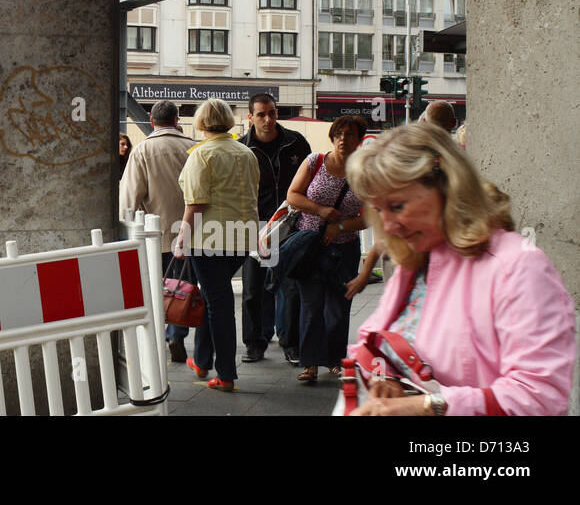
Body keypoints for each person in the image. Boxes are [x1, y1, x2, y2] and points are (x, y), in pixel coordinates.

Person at [346, 122, 575, 416]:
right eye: (378, 210)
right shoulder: (417, 260)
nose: (388, 226)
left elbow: (540, 397)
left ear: (447, 186)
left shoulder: (519, 265)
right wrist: (388, 381)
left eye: (397, 205)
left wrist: (427, 405)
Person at [172, 98, 260, 391]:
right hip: (242, 238)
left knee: (219, 305)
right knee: (214, 299)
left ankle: (225, 374)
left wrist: (181, 238)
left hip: (210, 240)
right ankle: (202, 359)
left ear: (201, 122)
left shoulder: (202, 155)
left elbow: (195, 204)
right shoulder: (247, 153)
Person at [285, 114, 369, 385]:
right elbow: (293, 195)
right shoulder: (315, 162)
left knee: (339, 306)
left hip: (345, 248)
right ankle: (309, 363)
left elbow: (372, 215)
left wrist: (341, 227)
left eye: (351, 134)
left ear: (360, 140)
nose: (344, 139)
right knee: (311, 305)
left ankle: (335, 360)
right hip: (310, 245)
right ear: (332, 137)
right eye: (339, 134)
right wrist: (321, 210)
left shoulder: (365, 171)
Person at [237, 93, 310, 363]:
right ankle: (255, 343)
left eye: (272, 113)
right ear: (250, 117)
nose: (268, 119)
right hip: (255, 225)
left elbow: (310, 178)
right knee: (253, 288)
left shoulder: (295, 142)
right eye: (261, 115)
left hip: (291, 223)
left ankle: (291, 344)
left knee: (290, 286)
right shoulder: (242, 147)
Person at [119, 100, 194, 361]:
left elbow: (129, 198)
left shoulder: (142, 151)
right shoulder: (194, 148)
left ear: (152, 121)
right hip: (189, 234)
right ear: (176, 120)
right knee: (183, 287)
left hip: (155, 235)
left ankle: (155, 337)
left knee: (155, 288)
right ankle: (177, 333)